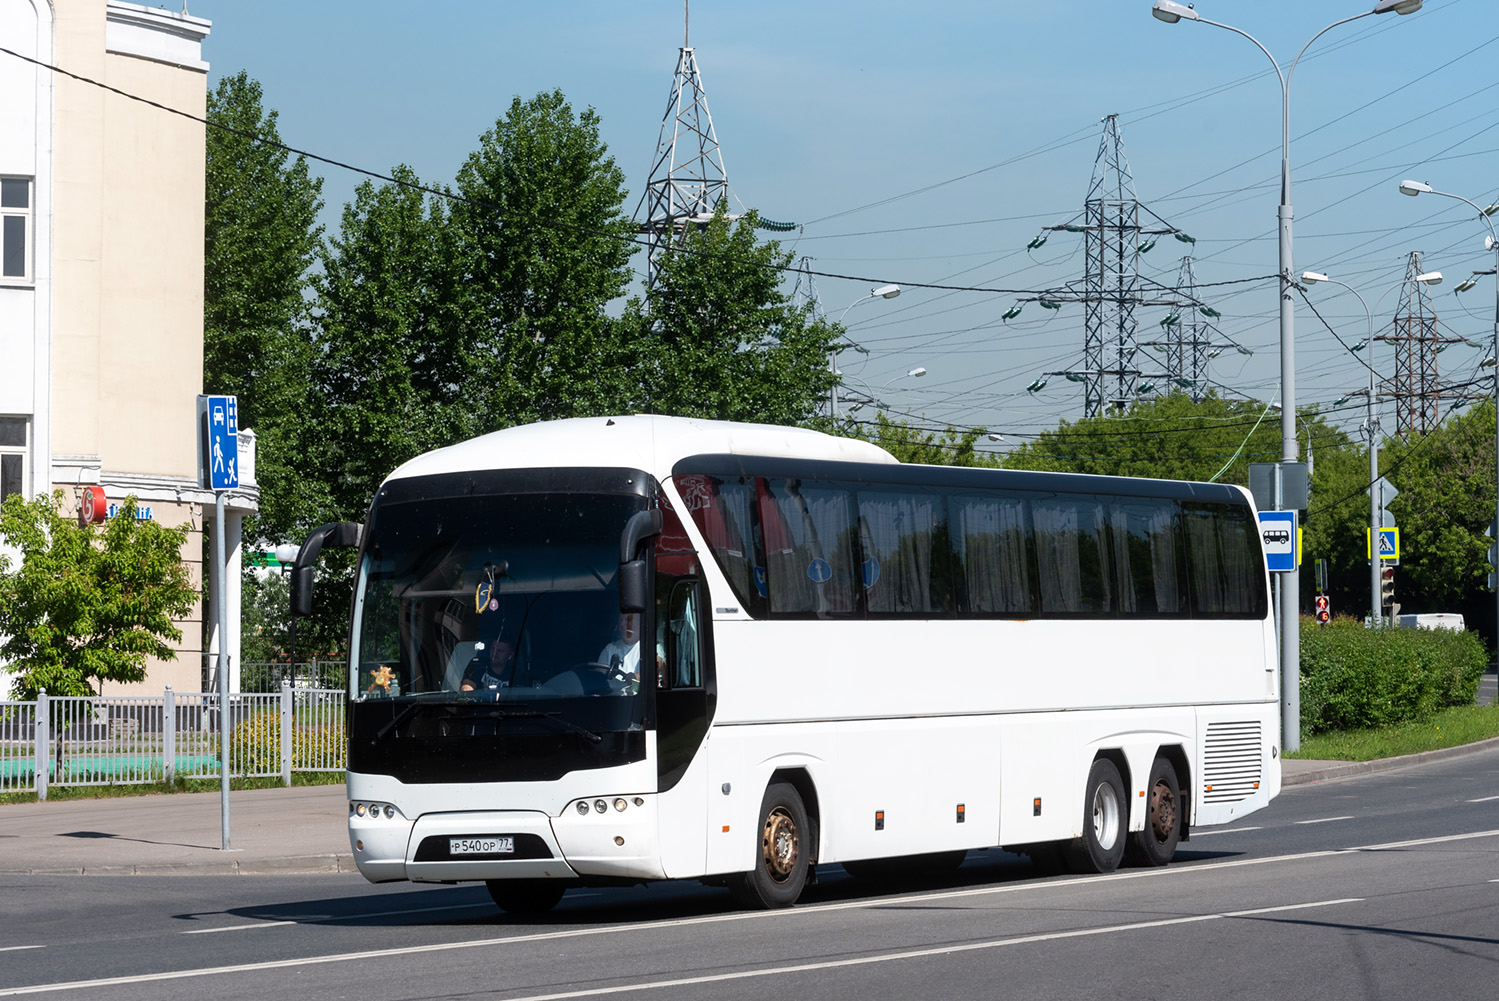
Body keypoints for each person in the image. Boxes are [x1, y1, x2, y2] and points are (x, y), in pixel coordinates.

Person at [596, 613, 641, 690]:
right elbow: (597, 678)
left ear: (639, 623)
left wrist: (635, 677)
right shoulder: (610, 649)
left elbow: (657, 666)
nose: (623, 624)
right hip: (613, 697)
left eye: (627, 620)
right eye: (621, 620)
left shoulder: (648, 647)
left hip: (636, 698)